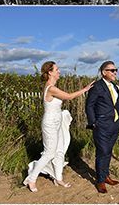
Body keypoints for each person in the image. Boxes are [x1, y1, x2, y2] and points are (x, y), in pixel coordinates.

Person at [23, 61, 93, 193]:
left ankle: (58, 177)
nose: (59, 71)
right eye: (57, 69)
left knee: (60, 150)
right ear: (50, 72)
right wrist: (85, 89)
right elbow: (69, 97)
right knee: (49, 153)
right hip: (49, 123)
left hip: (57, 122)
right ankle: (31, 179)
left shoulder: (52, 86)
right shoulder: (51, 88)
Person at [84, 61, 119, 194]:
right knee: (102, 152)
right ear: (103, 72)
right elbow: (89, 105)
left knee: (108, 151)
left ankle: (105, 176)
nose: (115, 72)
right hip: (101, 125)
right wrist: (93, 122)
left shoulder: (115, 86)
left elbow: (117, 105)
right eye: (112, 70)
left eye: (115, 70)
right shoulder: (97, 86)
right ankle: (100, 181)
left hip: (114, 124)